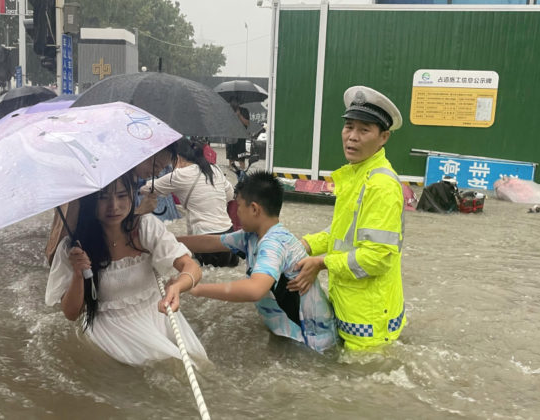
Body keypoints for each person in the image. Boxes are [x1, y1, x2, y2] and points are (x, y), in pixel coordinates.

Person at [45, 171, 208, 366]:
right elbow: (72, 314)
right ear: (90, 201)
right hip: (113, 333)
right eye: (103, 198)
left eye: (122, 195)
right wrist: (79, 274)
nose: (114, 206)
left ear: (132, 194)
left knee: (195, 366)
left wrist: (177, 287)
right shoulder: (73, 248)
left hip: (160, 318)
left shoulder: (145, 227)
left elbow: (192, 268)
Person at [288, 86, 407, 351]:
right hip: (350, 307)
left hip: (370, 323)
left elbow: (376, 257)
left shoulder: (380, 185)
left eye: (364, 130)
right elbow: (342, 234)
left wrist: (320, 263)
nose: (352, 137)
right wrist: (305, 244)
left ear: (383, 137)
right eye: (348, 127)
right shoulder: (356, 175)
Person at [177, 171, 337, 352]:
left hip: (312, 343)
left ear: (254, 209)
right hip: (291, 335)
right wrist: (165, 241)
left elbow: (255, 289)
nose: (236, 213)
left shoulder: (273, 244)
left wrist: (195, 289)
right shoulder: (251, 236)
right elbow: (211, 242)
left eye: (238, 206)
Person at [45, 144, 178, 265]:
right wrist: (140, 211)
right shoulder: (102, 177)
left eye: (162, 168)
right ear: (141, 154)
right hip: (85, 255)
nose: (157, 173)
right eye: (155, 166)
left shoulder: (133, 178)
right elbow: (75, 228)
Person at [142, 138, 239, 267]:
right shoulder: (215, 170)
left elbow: (145, 188)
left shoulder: (179, 175)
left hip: (205, 241)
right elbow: (230, 194)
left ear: (177, 157)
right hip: (229, 238)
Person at [225, 97, 249, 172]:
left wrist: (239, 115)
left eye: (235, 102)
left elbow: (247, 123)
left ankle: (242, 170)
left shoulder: (244, 111)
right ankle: (231, 170)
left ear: (239, 103)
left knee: (241, 157)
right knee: (230, 156)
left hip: (241, 138)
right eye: (231, 102)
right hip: (230, 137)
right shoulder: (228, 111)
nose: (233, 104)